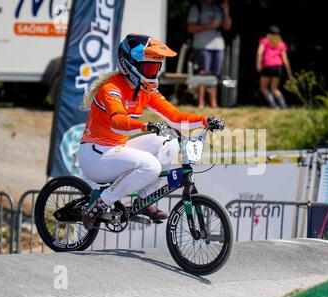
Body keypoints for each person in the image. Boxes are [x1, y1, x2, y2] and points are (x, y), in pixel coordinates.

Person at [78, 34, 225, 230]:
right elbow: (117, 122)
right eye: (148, 68)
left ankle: (144, 200)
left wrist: (205, 120)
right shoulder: (111, 89)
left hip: (116, 148)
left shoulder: (145, 91)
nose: (153, 73)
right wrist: (145, 126)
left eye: (156, 68)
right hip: (95, 155)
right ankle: (97, 206)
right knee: (151, 166)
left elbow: (175, 117)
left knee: (169, 143)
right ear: (130, 64)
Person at [187, 0, 232, 108]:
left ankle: (213, 103)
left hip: (218, 46)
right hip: (202, 45)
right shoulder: (198, 7)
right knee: (203, 74)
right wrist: (210, 25)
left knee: (214, 76)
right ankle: (201, 103)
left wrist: (226, 11)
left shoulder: (219, 7)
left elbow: (227, 27)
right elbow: (190, 28)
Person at [256, 25, 293, 109]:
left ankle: (274, 105)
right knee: (274, 89)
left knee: (264, 88)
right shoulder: (281, 44)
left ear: (268, 33)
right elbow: (285, 60)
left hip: (267, 66)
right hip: (277, 67)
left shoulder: (264, 41)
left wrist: (258, 64)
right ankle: (284, 106)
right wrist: (289, 73)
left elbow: (259, 52)